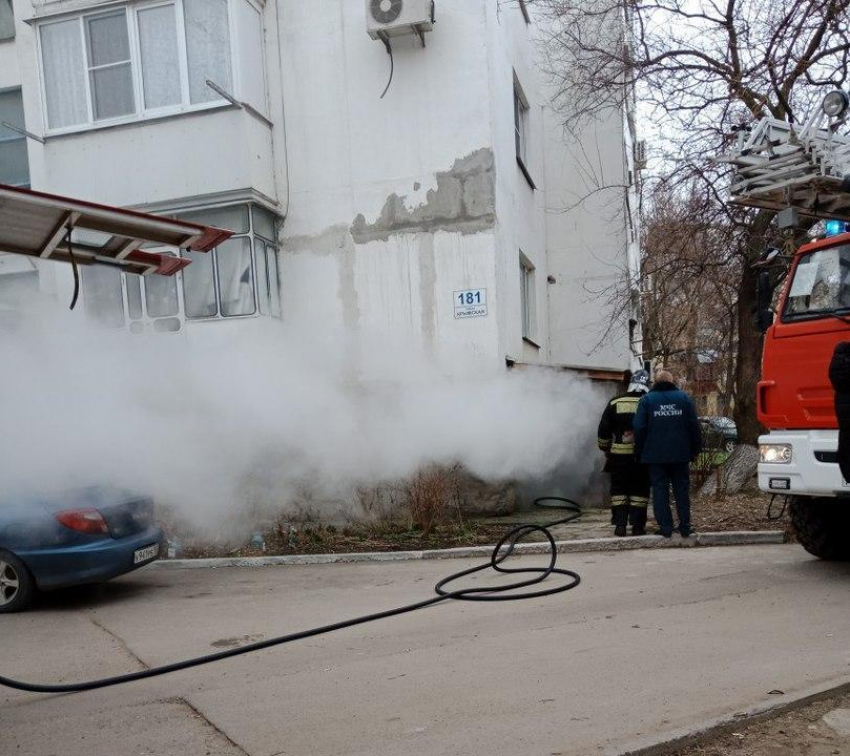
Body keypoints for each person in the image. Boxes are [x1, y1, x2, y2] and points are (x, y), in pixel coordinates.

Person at [633, 370, 703, 538]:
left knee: (659, 491)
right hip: (680, 455)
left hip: (655, 456)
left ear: (655, 382)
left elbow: (639, 427)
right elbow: (694, 426)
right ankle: (685, 525)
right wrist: (695, 450)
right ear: (672, 382)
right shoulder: (684, 399)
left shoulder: (647, 400)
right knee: (682, 490)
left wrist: (640, 451)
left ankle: (665, 527)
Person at [597, 369, 652, 537]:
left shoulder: (615, 403)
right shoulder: (648, 402)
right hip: (642, 457)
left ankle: (620, 526)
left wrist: (605, 448)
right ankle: (637, 527)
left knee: (619, 491)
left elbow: (603, 430)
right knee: (640, 492)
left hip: (618, 457)